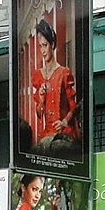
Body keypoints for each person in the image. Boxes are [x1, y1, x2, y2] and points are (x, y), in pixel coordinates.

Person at [31, 18, 79, 150]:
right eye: (40, 46)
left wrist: (64, 122)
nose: (43, 50)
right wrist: (41, 100)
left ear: (52, 45)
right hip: (46, 135)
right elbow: (39, 114)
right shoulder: (38, 75)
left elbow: (73, 107)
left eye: (45, 45)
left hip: (63, 135)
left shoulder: (64, 72)